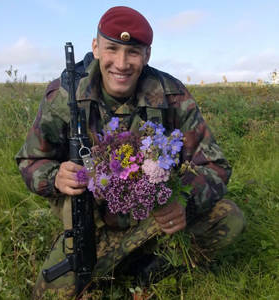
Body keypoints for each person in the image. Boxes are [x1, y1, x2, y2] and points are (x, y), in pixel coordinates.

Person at [16, 6, 245, 299]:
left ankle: (151, 270)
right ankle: (121, 268)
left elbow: (216, 165)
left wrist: (183, 201)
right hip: (93, 225)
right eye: (112, 49)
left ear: (147, 55)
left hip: (155, 220)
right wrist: (54, 177)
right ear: (96, 48)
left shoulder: (171, 94)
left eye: (133, 52)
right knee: (50, 294)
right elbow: (30, 160)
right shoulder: (64, 95)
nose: (121, 64)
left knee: (230, 218)